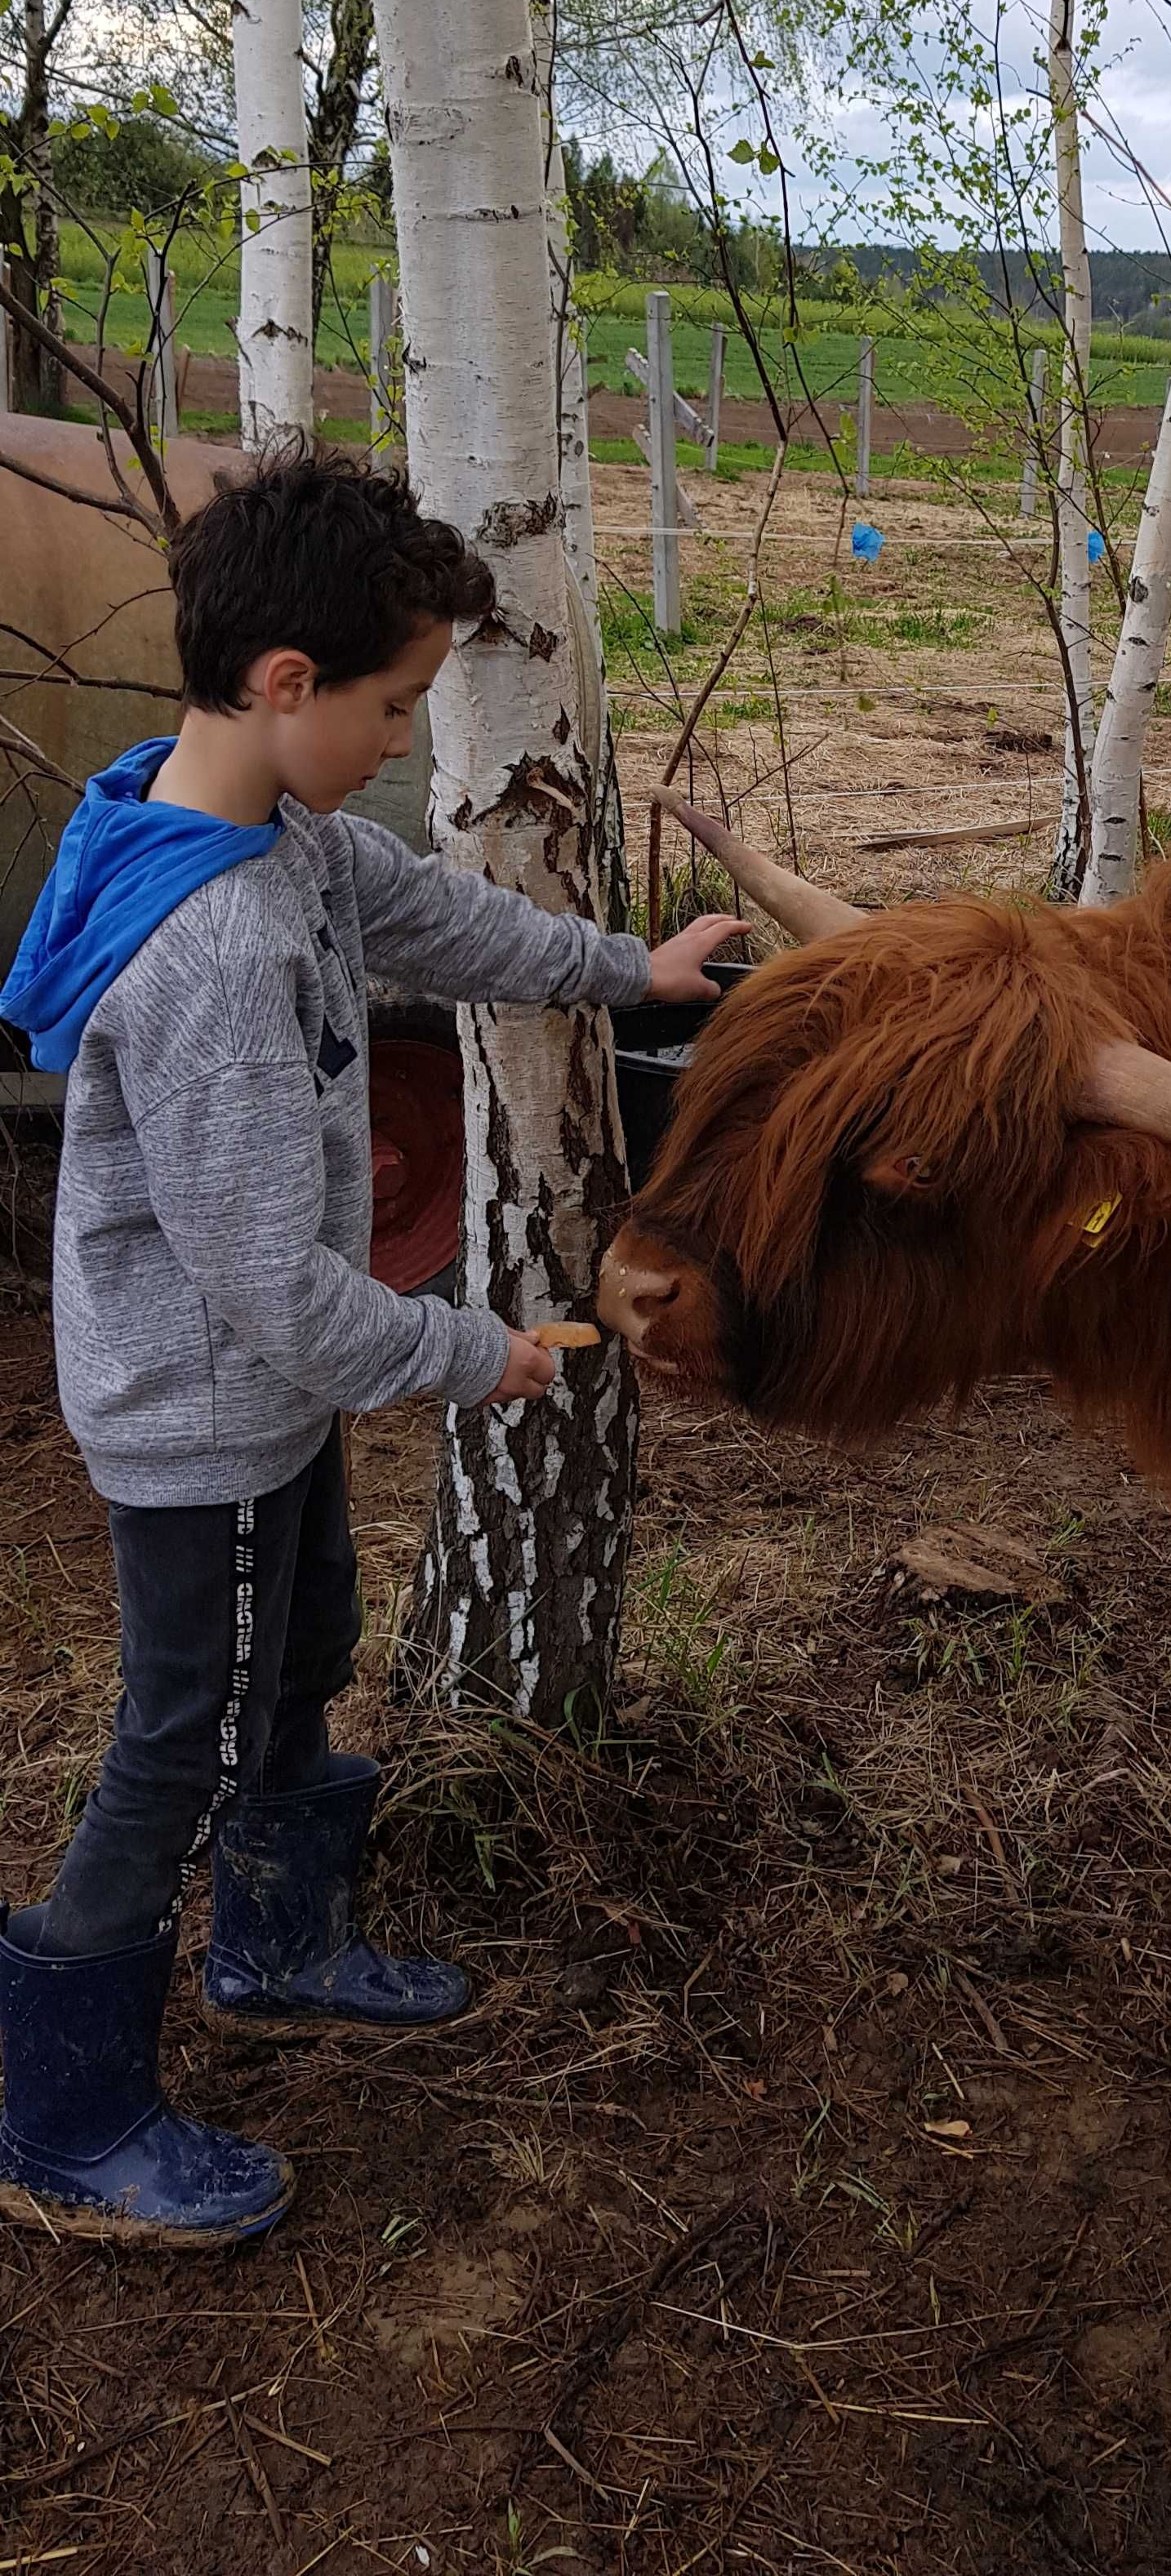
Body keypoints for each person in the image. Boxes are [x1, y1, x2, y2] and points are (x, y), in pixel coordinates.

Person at [0, 442, 737, 2249]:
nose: (410, 738)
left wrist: (625, 970)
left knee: (300, 1641)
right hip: (211, 1409)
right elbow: (265, 1284)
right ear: (281, 686)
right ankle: (62, 2109)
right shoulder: (216, 954)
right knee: (177, 1737)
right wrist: (468, 1354)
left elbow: (433, 915)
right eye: (397, 702)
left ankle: (275, 1945)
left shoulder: (266, 835)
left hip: (265, 1403)